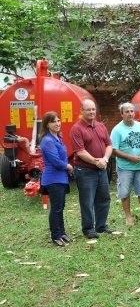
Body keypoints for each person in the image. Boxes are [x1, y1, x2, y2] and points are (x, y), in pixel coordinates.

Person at [70, 99, 113, 238]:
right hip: (85, 171)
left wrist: (105, 159)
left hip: (101, 169)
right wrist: (96, 162)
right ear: (81, 111)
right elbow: (80, 151)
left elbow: (109, 145)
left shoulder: (101, 126)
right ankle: (88, 229)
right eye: (88, 109)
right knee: (87, 201)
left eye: (93, 109)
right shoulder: (77, 129)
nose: (91, 112)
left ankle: (101, 226)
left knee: (104, 198)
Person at [111, 102, 140, 226]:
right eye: (127, 112)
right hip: (125, 167)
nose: (130, 114)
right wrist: (130, 157)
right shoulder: (117, 130)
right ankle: (128, 217)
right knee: (124, 193)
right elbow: (114, 150)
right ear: (122, 114)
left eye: (132, 111)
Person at [40, 111, 73, 246]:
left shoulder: (57, 138)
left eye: (58, 121)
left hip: (60, 178)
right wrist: (68, 166)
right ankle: (55, 236)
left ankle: (62, 233)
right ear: (47, 124)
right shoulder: (47, 140)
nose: (57, 123)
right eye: (54, 121)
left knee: (60, 207)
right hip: (53, 179)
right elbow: (55, 161)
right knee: (56, 208)